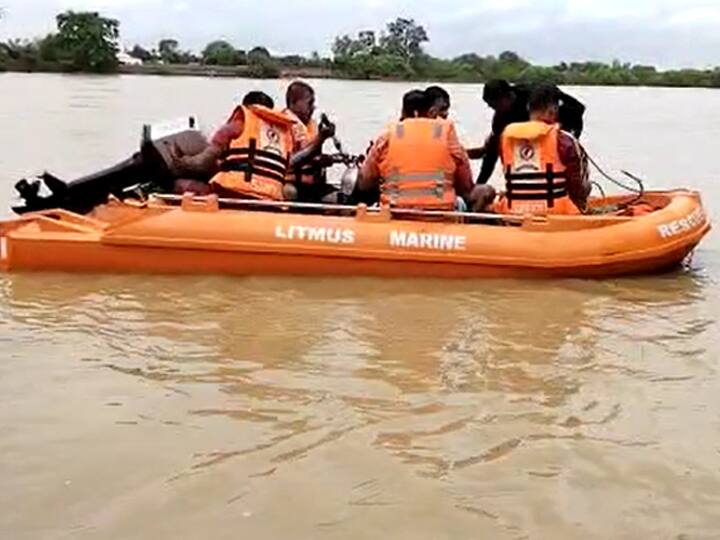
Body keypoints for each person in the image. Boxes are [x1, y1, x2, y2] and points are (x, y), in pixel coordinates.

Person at [357, 89, 474, 211]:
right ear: (430, 111)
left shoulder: (387, 136)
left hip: (394, 211)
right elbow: (466, 186)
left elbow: (364, 183)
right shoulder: (448, 135)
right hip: (440, 212)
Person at [493, 84, 591, 215]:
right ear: (553, 110)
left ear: (528, 108)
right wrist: (584, 194)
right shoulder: (564, 141)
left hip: (514, 212)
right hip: (555, 214)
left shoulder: (505, 138)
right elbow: (576, 188)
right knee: (587, 186)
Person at [471, 79, 586, 186]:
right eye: (491, 107)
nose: (495, 110)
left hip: (563, 128)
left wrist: (571, 137)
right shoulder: (500, 118)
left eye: (495, 105)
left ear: (506, 96)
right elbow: (491, 155)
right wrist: (479, 184)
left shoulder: (534, 95)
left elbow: (579, 108)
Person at [282, 81, 338, 202]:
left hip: (314, 184)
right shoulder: (282, 125)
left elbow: (313, 155)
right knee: (290, 192)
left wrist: (328, 159)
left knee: (341, 198)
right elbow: (289, 162)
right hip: (291, 182)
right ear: (293, 103)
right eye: (310, 103)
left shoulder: (311, 125)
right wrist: (320, 139)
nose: (313, 107)